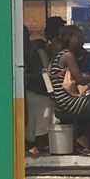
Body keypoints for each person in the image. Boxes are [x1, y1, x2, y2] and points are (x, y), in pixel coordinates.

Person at [49, 25, 90, 154]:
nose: (82, 41)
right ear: (74, 39)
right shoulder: (68, 55)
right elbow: (81, 80)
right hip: (67, 100)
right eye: (80, 38)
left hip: (64, 98)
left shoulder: (61, 54)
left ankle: (84, 138)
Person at [23, 25, 52, 154]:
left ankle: (37, 136)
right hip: (25, 90)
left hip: (34, 88)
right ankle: (37, 137)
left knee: (47, 102)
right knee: (47, 103)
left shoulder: (37, 51)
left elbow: (45, 73)